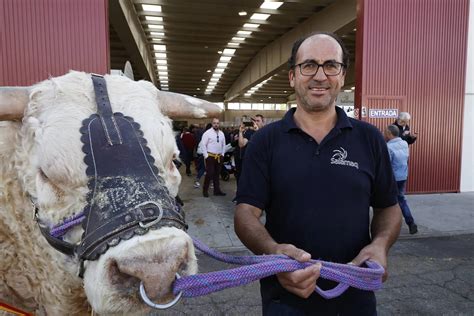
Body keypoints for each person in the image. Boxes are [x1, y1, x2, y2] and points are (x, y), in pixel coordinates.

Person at [234, 32, 402, 315]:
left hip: (355, 295)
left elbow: (388, 207)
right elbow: (245, 213)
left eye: (331, 65)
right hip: (284, 298)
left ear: (342, 75)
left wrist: (380, 244)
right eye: (309, 65)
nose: (320, 76)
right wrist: (273, 251)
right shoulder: (266, 141)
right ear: (292, 76)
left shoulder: (369, 139)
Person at [384, 125, 418, 234]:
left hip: (392, 178)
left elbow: (386, 165)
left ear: (390, 133)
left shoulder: (388, 147)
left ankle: (388, 227)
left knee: (388, 203)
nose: (384, 134)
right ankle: (411, 223)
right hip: (403, 176)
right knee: (402, 200)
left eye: (385, 132)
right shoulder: (404, 144)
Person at [199, 118, 226, 197]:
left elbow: (223, 144)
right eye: (214, 123)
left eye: (217, 123)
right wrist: (206, 156)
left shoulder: (221, 133)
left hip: (219, 156)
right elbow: (203, 145)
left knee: (217, 174)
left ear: (219, 124)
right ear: (212, 124)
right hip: (210, 156)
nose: (216, 125)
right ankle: (205, 190)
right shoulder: (207, 133)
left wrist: (223, 154)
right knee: (209, 174)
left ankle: (217, 190)